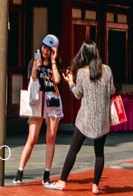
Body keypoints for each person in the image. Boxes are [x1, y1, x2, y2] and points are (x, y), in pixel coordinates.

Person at [47, 41, 115, 194]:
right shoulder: (107, 70)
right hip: (102, 119)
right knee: (99, 153)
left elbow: (78, 94)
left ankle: (62, 181)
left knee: (73, 149)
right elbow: (112, 90)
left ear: (84, 54)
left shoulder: (83, 73)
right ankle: (95, 186)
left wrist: (70, 82)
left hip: (85, 118)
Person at [14, 34, 63, 184]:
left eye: (49, 49)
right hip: (38, 99)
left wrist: (53, 62)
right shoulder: (34, 61)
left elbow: (58, 80)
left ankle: (46, 174)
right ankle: (20, 171)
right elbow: (33, 79)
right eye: (43, 47)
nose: (45, 51)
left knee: (51, 136)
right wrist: (36, 66)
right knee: (33, 137)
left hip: (52, 99)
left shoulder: (56, 62)